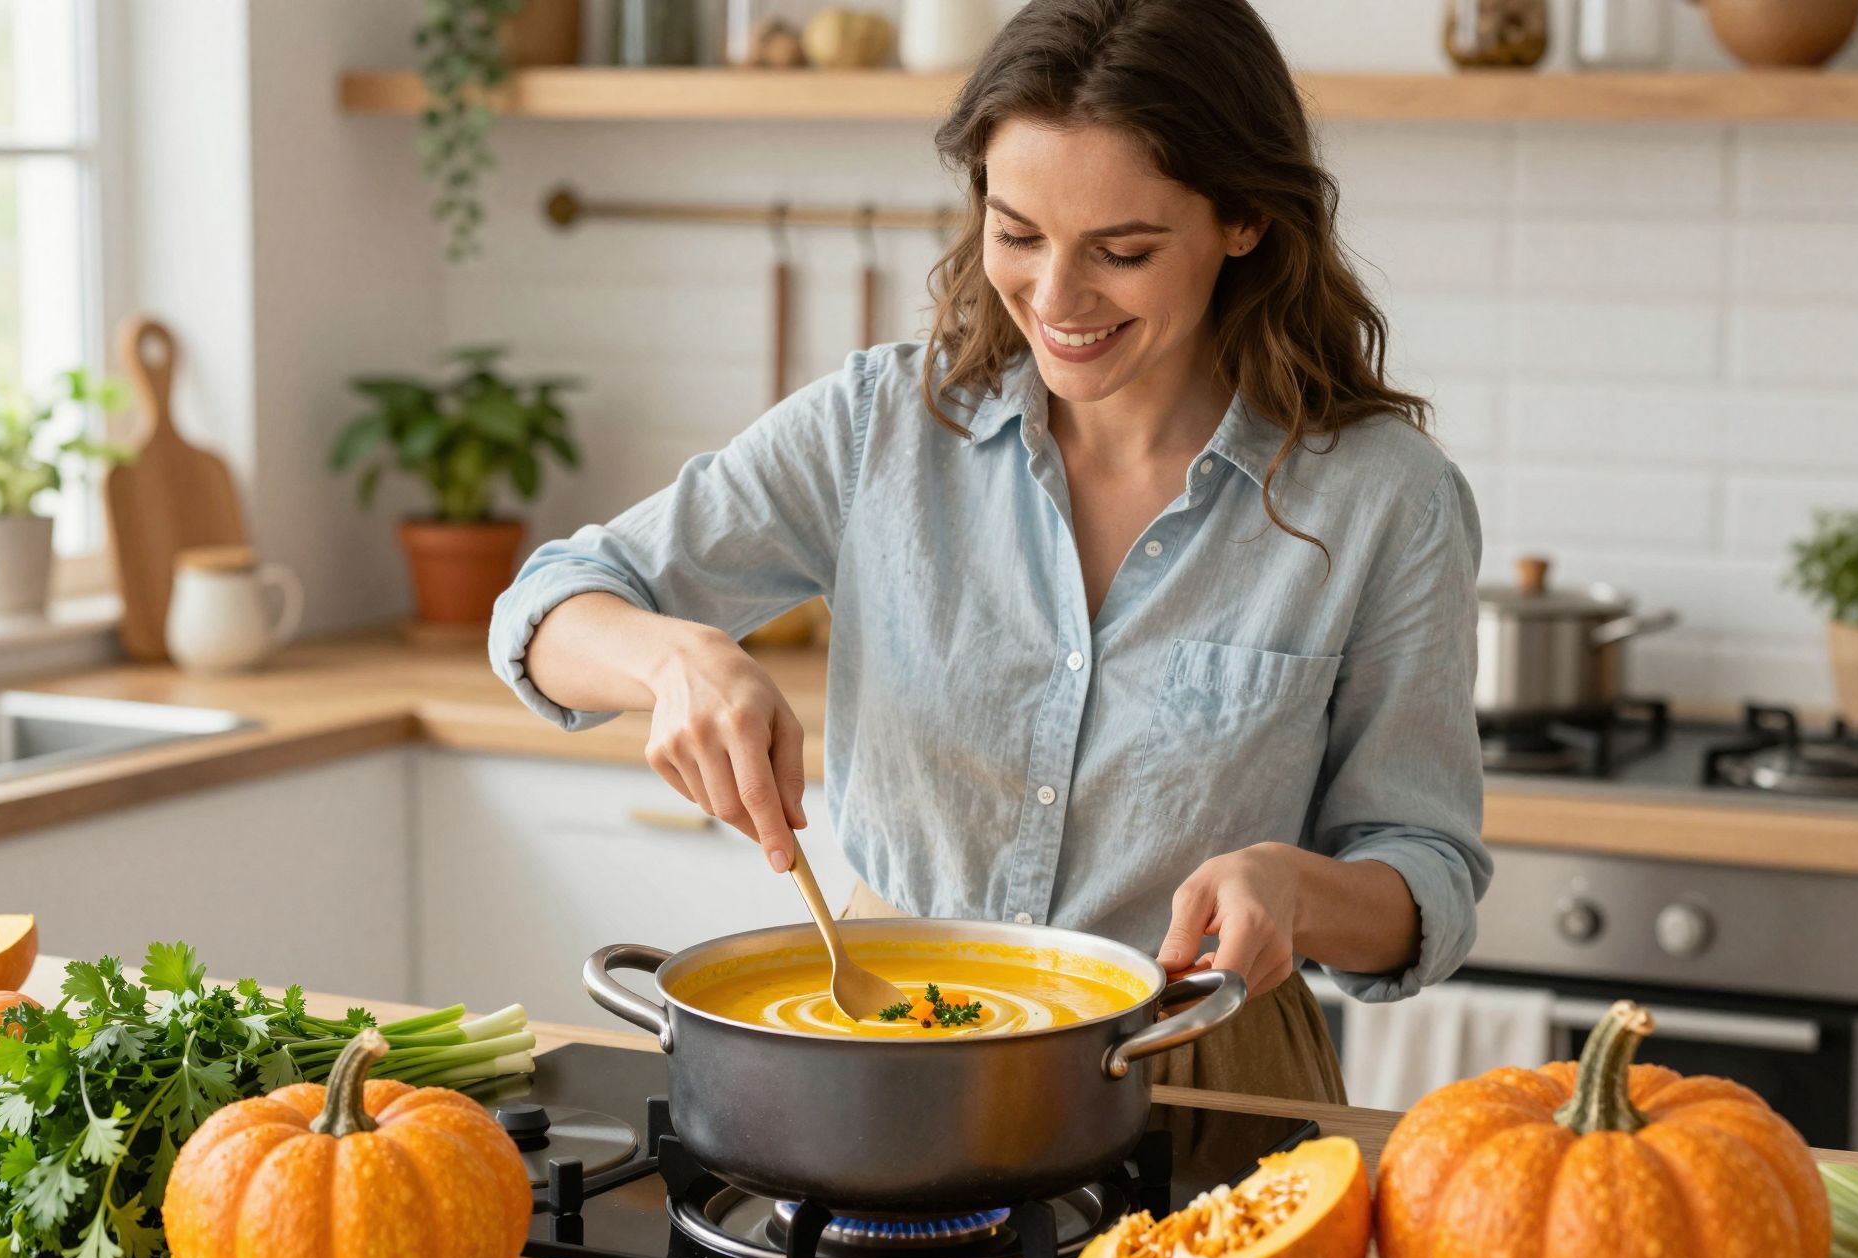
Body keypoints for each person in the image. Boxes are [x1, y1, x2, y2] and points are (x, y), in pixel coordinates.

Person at [490, 0, 1490, 1104]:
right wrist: (673, 660)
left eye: (1121, 251)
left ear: (1244, 218)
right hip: (886, 1053)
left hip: (1198, 1079)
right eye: (1016, 235)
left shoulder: (1384, 500)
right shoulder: (880, 425)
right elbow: (547, 609)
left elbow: (1426, 870)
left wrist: (1296, 889)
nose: (1055, 300)